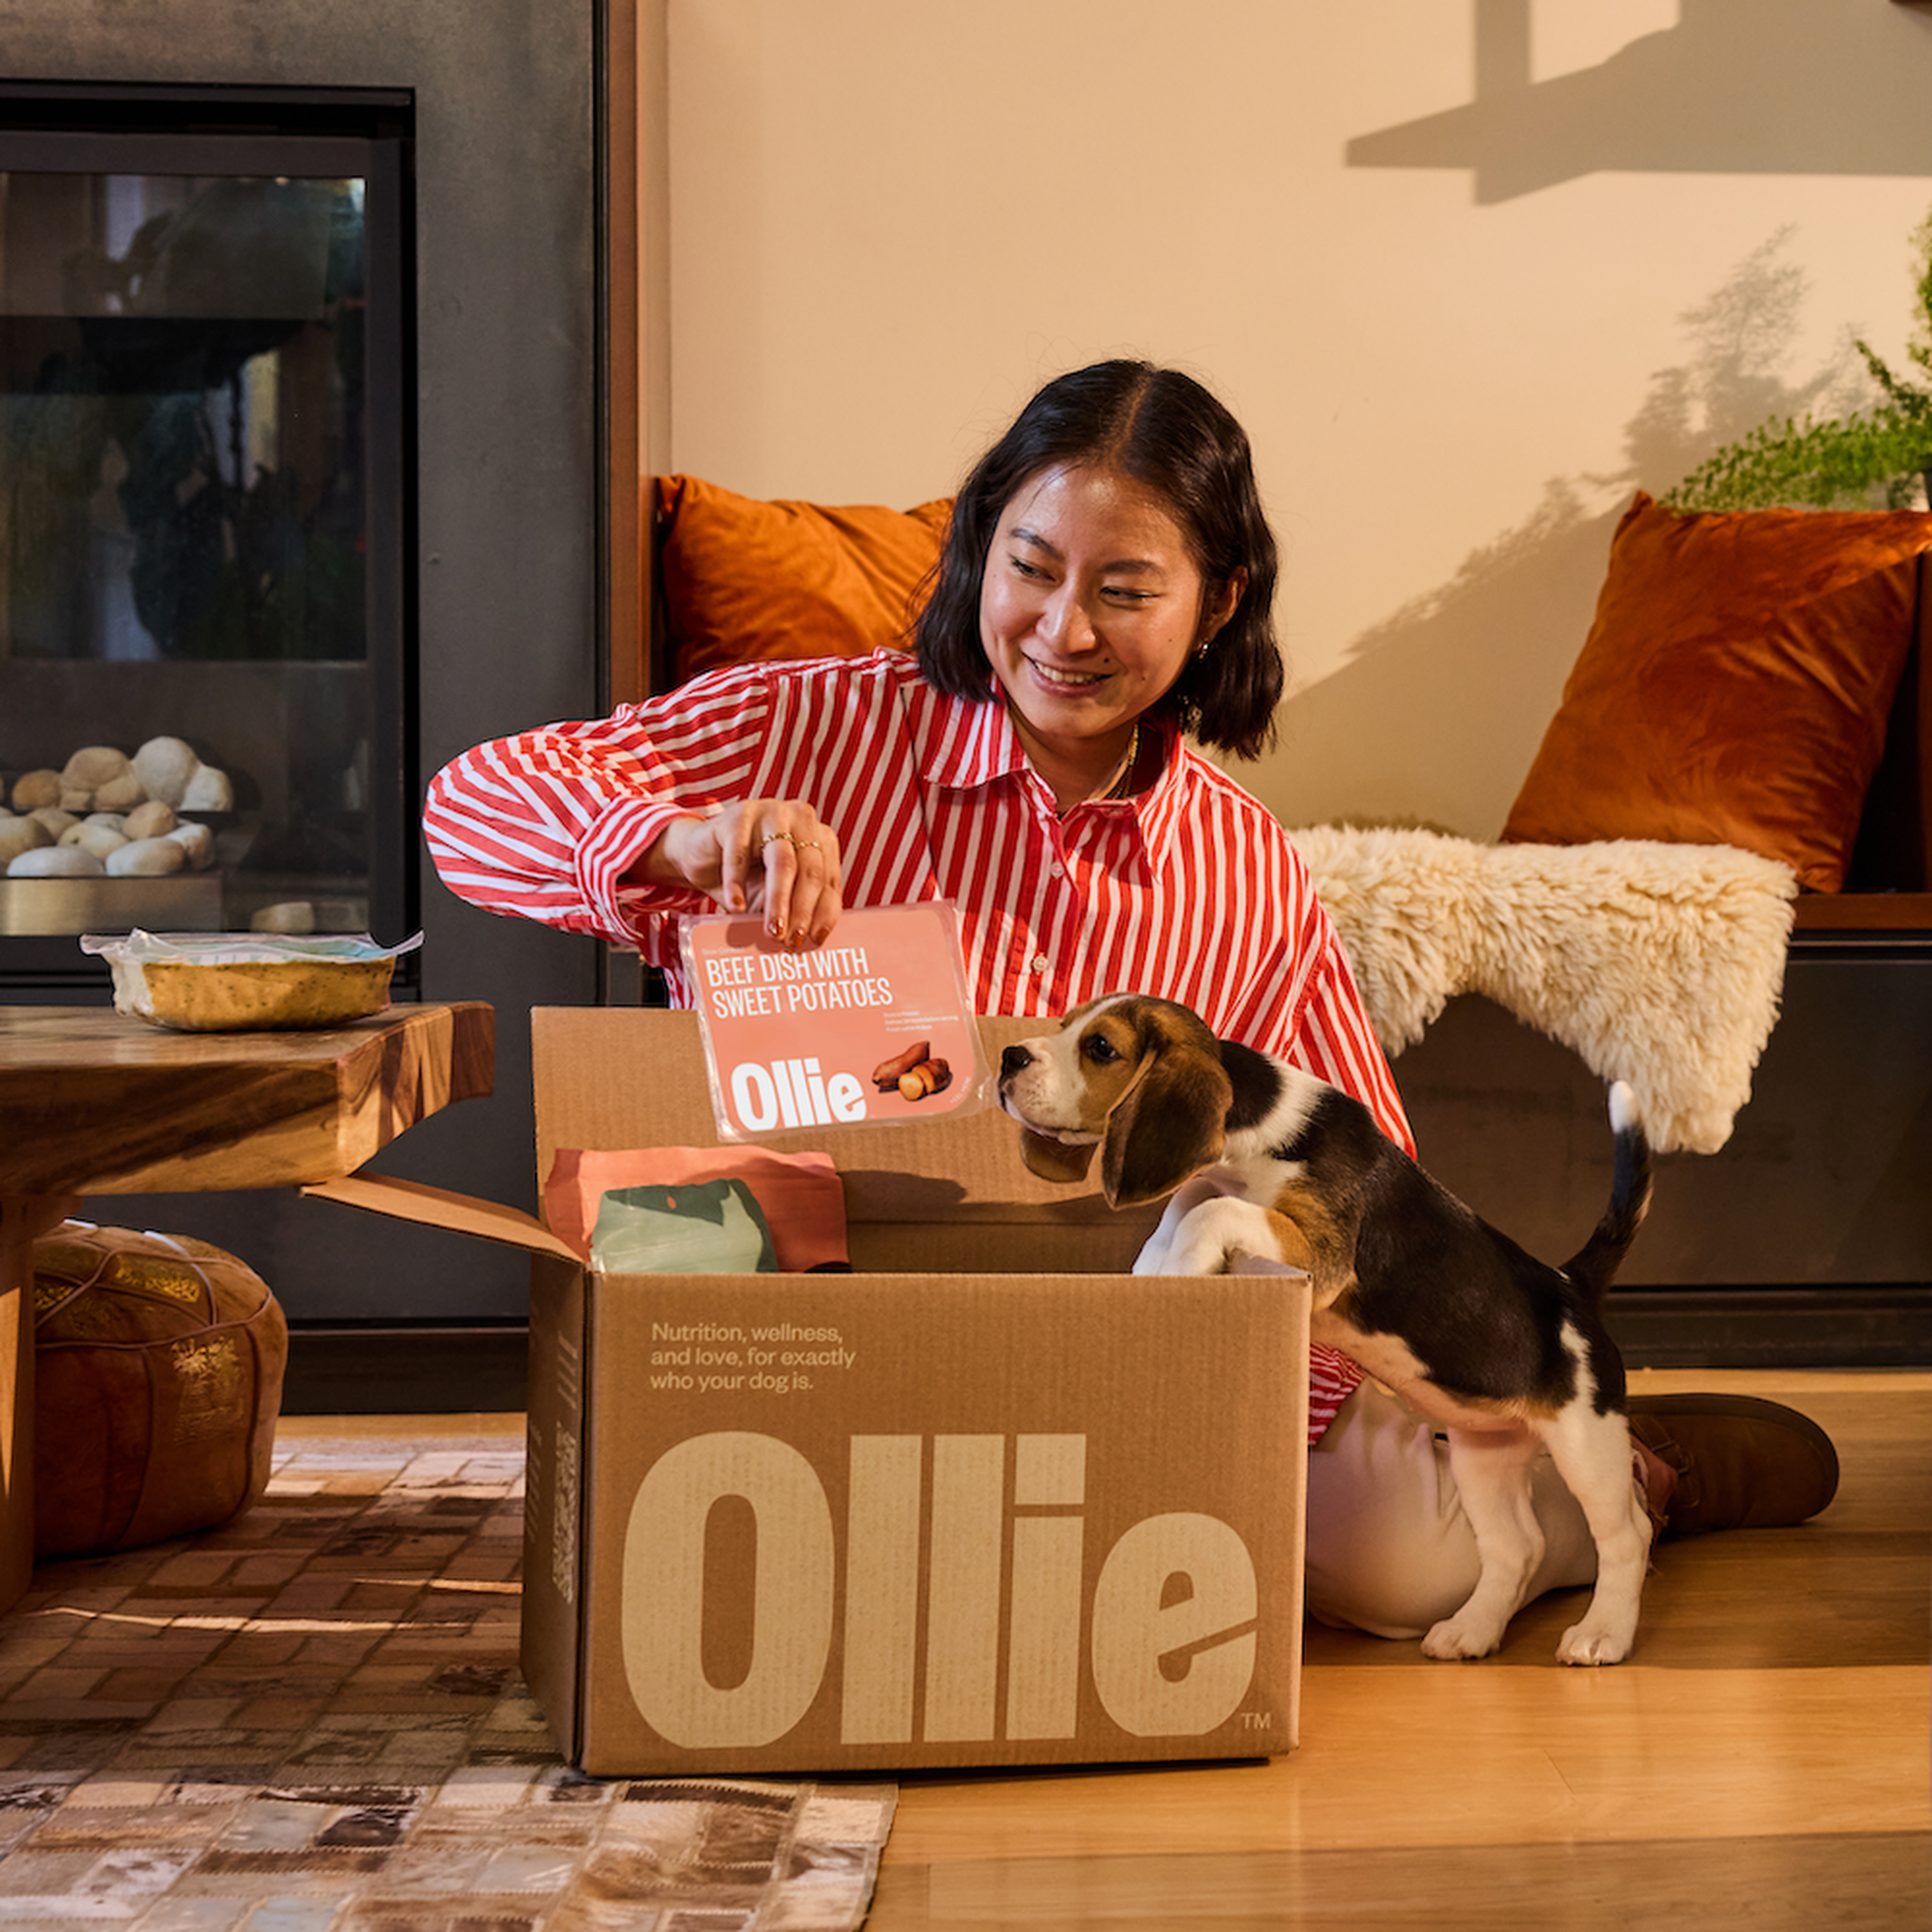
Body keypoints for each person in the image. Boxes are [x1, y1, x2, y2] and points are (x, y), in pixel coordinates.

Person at [425, 358, 1838, 1643]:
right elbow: (466, 807)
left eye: (1125, 588)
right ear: (980, 550)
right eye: (1031, 568)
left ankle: (1615, 1462)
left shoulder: (1240, 864)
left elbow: (1356, 1194)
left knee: (1417, 1572)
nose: (1062, 629)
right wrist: (672, 839)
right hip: (802, 1311)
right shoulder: (807, 720)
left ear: (1217, 602)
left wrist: (1226, 1428)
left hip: (1100, 1344)